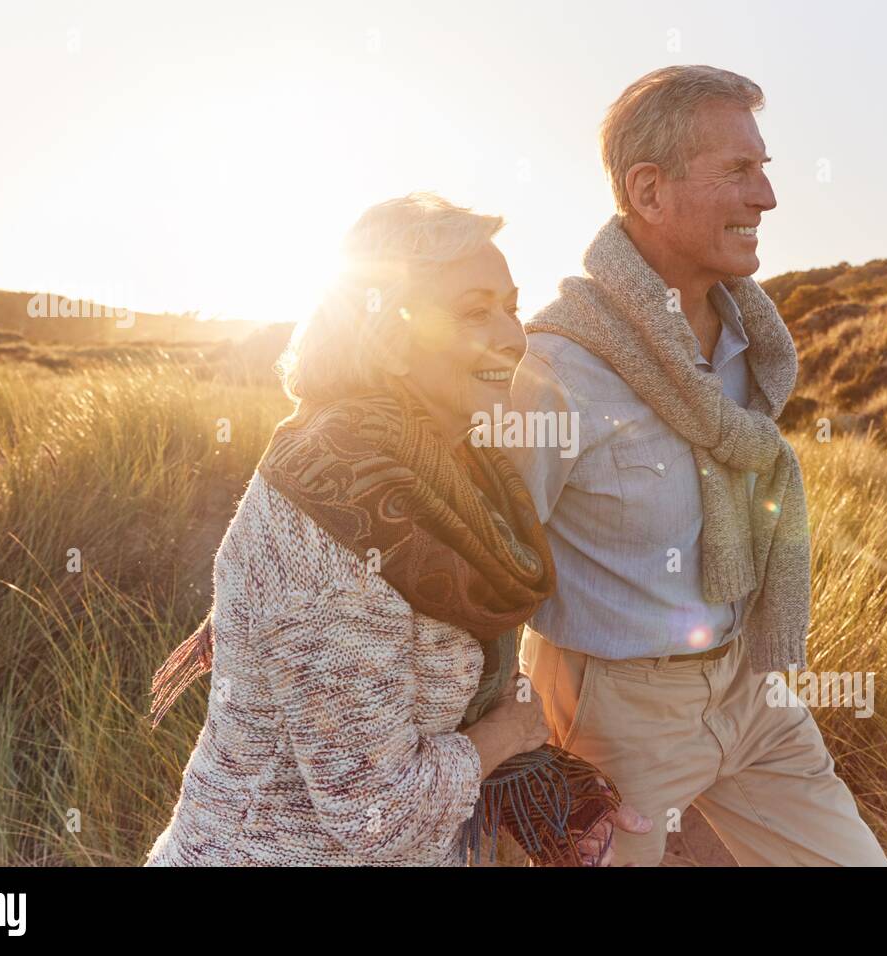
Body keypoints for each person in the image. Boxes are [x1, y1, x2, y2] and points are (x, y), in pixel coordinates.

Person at [144, 193, 648, 866]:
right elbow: (374, 813)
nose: (512, 335)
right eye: (475, 311)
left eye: (510, 306)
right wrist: (510, 733)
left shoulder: (455, 472)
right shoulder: (331, 510)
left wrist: (545, 784)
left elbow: (447, 684)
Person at [506, 65, 887, 866]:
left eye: (765, 170)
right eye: (738, 173)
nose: (767, 200)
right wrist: (516, 749)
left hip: (751, 685)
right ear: (649, 192)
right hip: (612, 719)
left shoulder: (753, 341)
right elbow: (487, 574)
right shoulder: (557, 367)